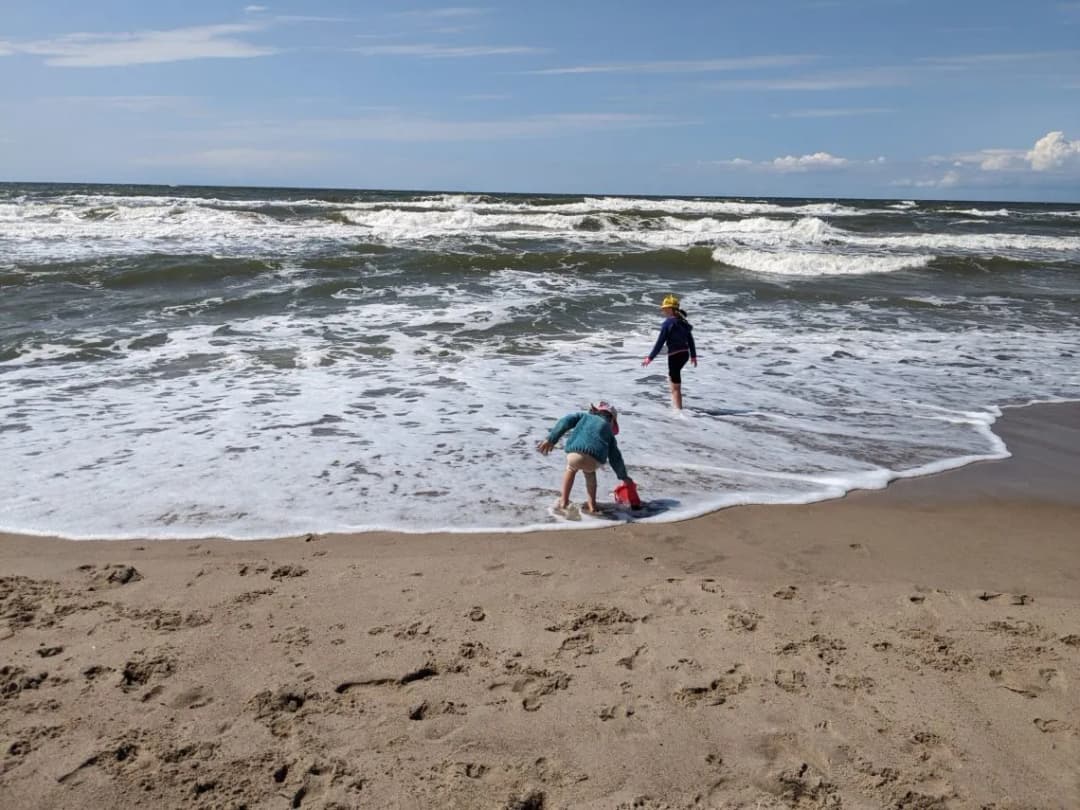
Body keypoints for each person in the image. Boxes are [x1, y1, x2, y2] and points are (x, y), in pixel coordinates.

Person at [536, 401, 633, 514]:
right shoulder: (609, 431)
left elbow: (565, 422)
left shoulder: (584, 416)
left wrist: (551, 439)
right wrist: (624, 477)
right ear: (611, 420)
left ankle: (564, 500)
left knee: (571, 469)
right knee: (590, 475)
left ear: (593, 411)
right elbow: (615, 458)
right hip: (594, 460)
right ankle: (592, 505)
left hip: (575, 453)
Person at [641, 294, 697, 411]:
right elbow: (690, 340)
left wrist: (650, 358)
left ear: (671, 309)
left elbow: (660, 342)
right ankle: (675, 404)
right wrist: (693, 356)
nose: (663, 310)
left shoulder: (667, 324)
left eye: (665, 308)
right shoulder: (683, 322)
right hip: (685, 355)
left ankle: (678, 412)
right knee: (673, 377)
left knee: (676, 387)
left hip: (674, 356)